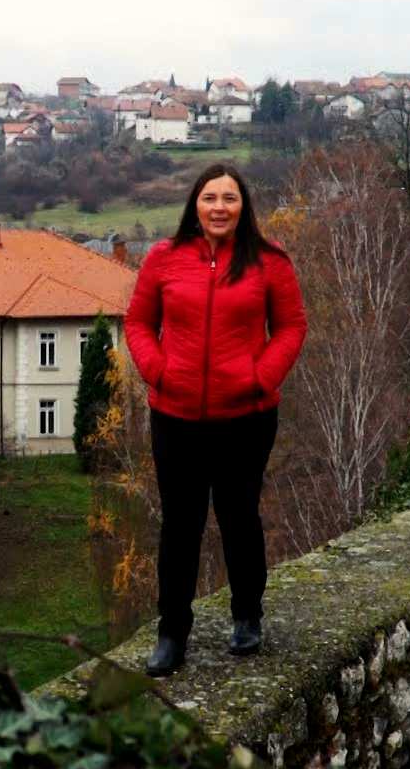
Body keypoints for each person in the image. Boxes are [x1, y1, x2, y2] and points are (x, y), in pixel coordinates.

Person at [123, 163, 307, 677]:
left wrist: (260, 376)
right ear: (195, 205)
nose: (219, 207)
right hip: (175, 415)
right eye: (210, 198)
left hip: (245, 416)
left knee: (238, 516)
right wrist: (157, 370)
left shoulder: (269, 262)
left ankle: (247, 615)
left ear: (243, 206)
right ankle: (171, 631)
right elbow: (138, 322)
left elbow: (291, 326)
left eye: (229, 198)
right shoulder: (164, 258)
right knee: (180, 523)